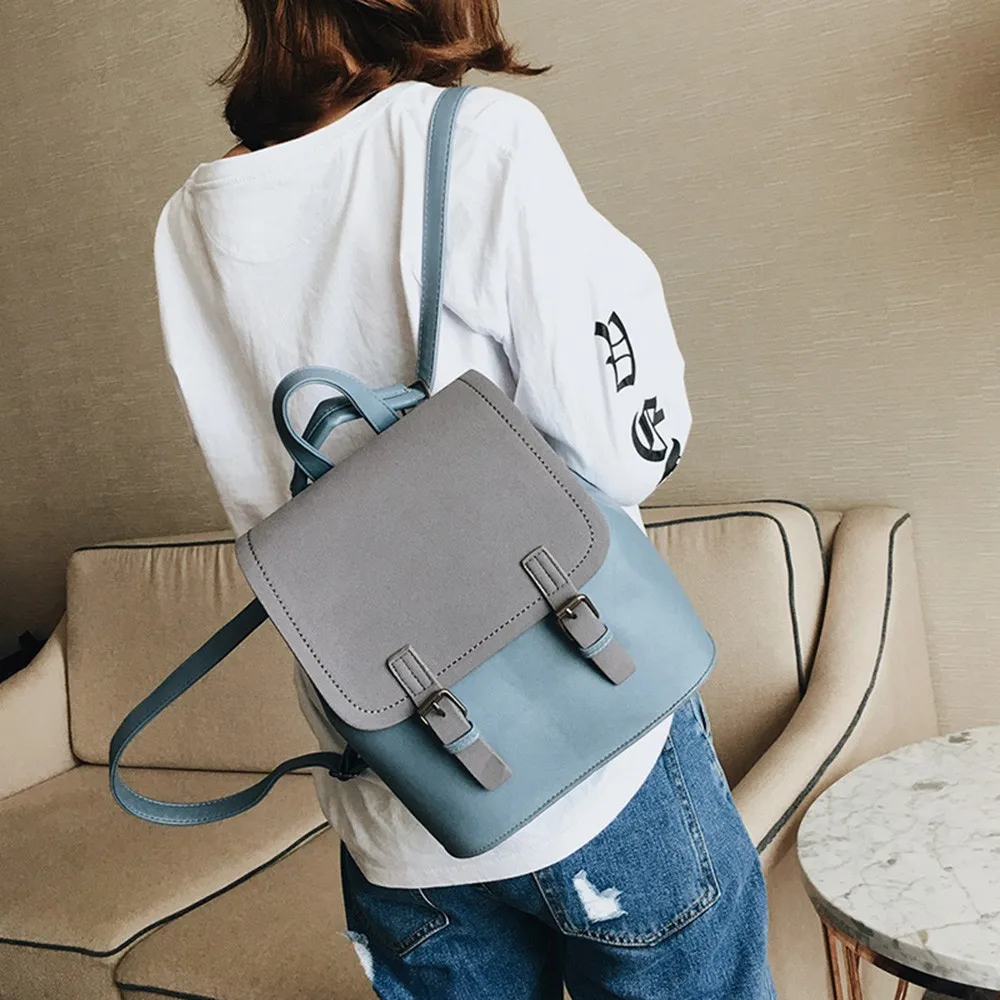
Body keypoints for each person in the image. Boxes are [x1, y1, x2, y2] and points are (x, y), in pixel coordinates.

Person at [153, 2, 777, 997]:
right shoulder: (476, 138)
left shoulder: (192, 218)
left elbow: (255, 481)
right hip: (593, 745)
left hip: (397, 790)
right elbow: (626, 455)